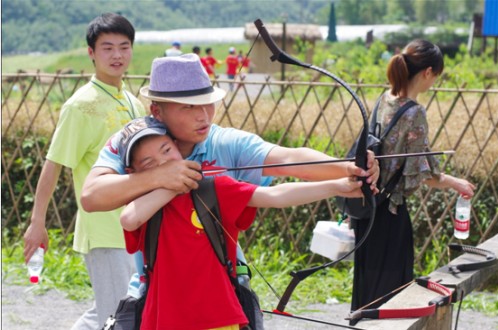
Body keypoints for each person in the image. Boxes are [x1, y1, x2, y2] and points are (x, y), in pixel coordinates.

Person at [81, 54, 379, 328]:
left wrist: (349, 168)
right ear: (157, 111)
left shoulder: (223, 143)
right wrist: (163, 177)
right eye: (189, 107)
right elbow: (93, 197)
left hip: (220, 293)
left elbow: (289, 160)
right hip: (158, 297)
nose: (203, 116)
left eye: (207, 103)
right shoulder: (137, 141)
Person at [117, 116, 364, 329]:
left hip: (219, 316)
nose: (164, 163)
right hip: (163, 320)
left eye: (166, 150)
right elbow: (129, 220)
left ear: (178, 148)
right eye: (149, 163)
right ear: (134, 173)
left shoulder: (213, 189)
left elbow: (274, 196)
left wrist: (337, 185)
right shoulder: (144, 205)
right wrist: (172, 185)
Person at [23, 13, 146, 329]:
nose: (117, 55)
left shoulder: (132, 101)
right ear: (91, 53)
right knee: (120, 315)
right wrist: (37, 223)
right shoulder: (81, 106)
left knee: (114, 311)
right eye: (107, 48)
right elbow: (53, 164)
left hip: (135, 228)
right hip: (104, 230)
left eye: (124, 46)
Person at [350, 39, 476, 312]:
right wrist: (457, 183)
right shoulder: (414, 112)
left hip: (366, 208)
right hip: (391, 214)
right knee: (392, 296)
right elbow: (423, 173)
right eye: (436, 77)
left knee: (366, 291)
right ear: (428, 72)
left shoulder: (384, 99)